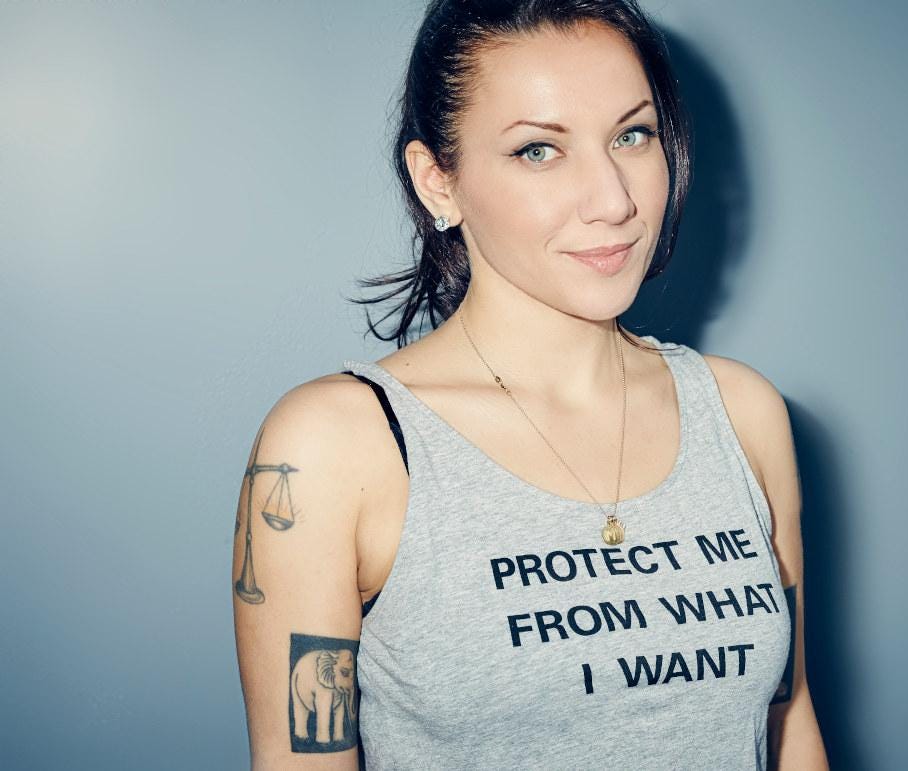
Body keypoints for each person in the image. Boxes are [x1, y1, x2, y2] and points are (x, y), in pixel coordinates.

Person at [232, 0, 828, 768]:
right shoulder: (337, 447)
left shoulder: (741, 412)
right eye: (538, 151)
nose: (613, 200)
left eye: (632, 135)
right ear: (437, 182)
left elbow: (790, 720)